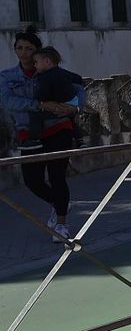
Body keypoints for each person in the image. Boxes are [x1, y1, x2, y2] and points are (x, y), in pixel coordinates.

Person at [3, 30, 82, 241]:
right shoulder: (7, 77)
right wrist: (39, 105)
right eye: (20, 48)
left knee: (57, 175)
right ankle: (58, 204)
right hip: (28, 132)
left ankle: (61, 225)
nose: (24, 53)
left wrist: (74, 108)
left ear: (38, 51)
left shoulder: (53, 71)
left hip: (57, 128)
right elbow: (9, 102)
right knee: (32, 180)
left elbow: (79, 88)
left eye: (29, 49)